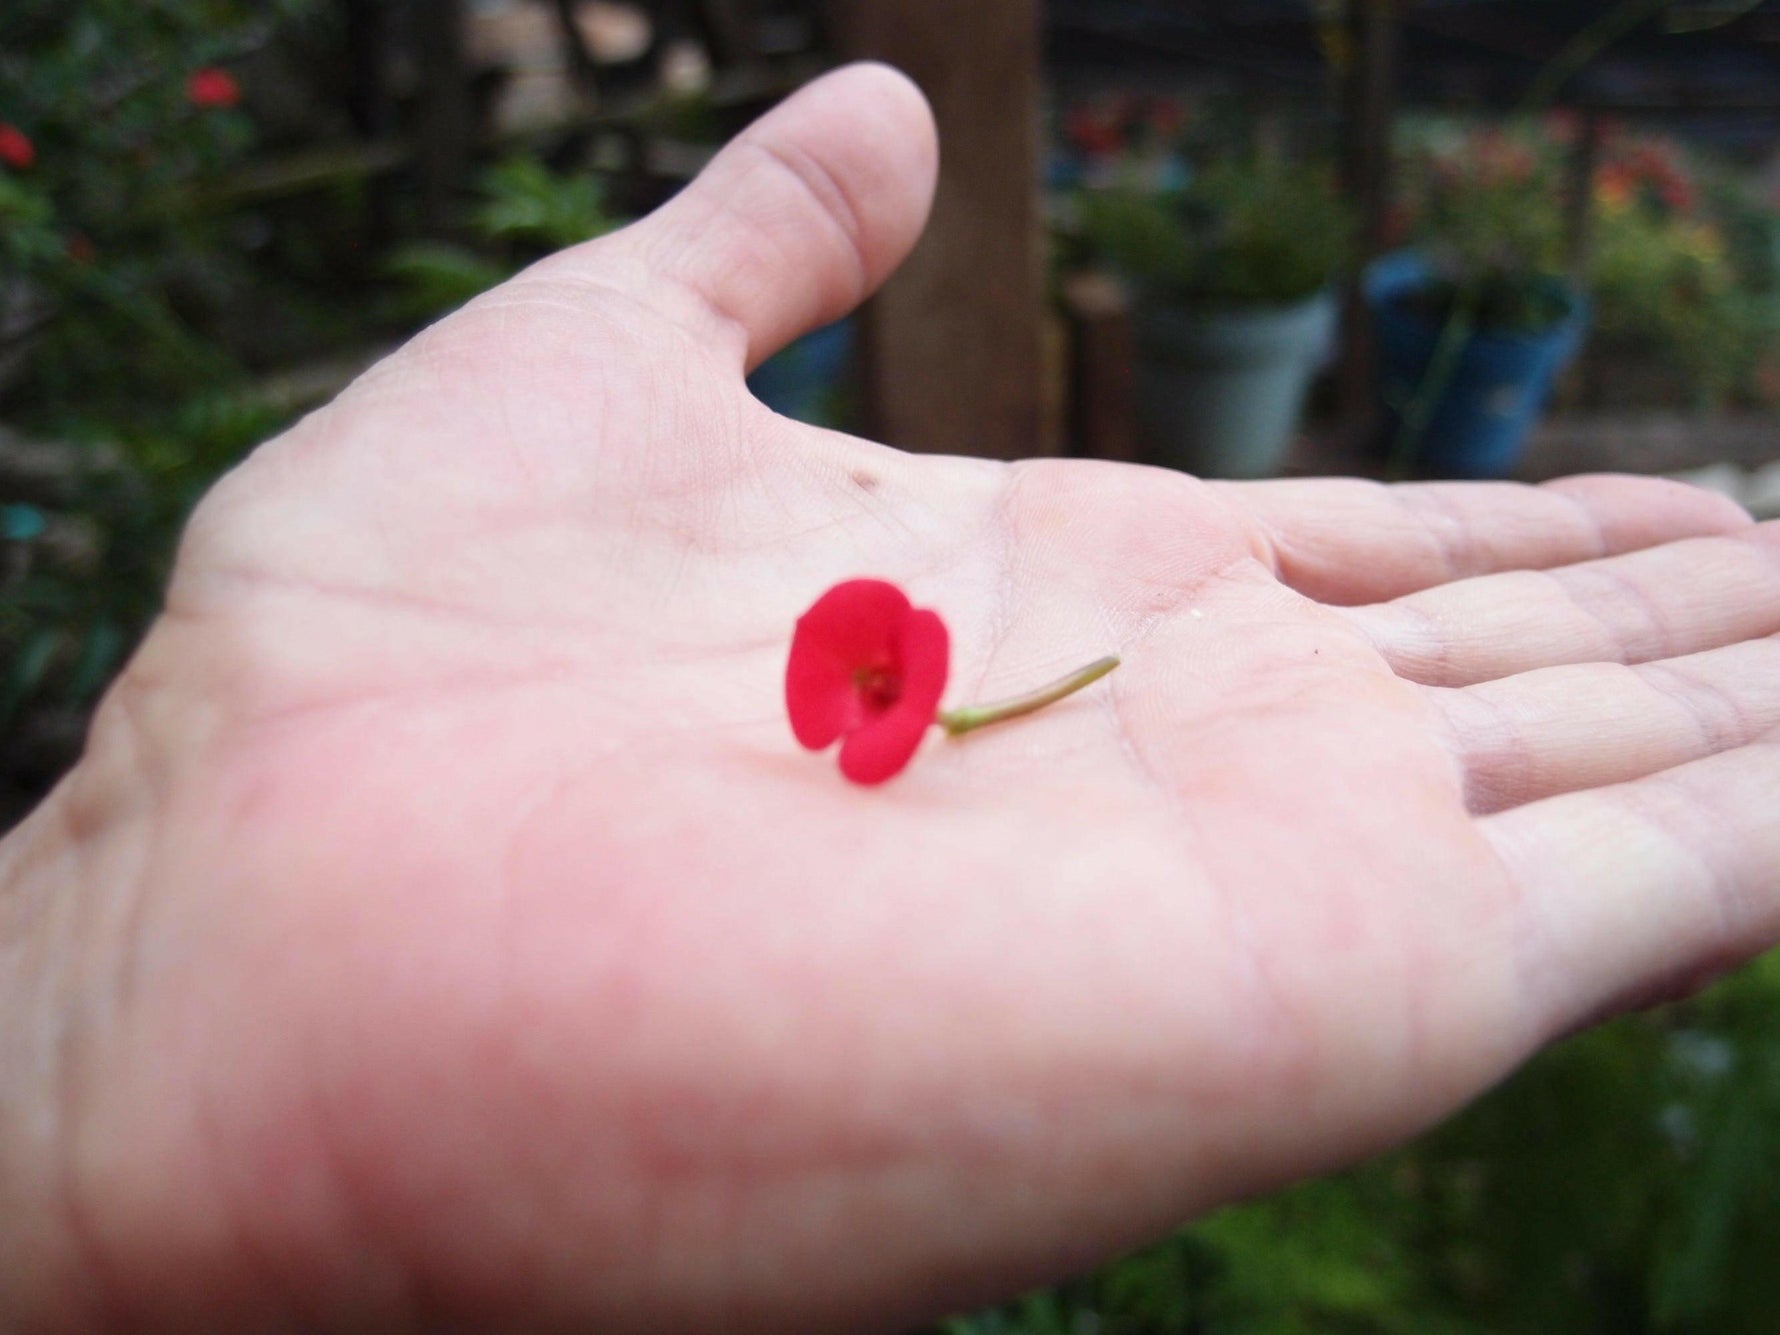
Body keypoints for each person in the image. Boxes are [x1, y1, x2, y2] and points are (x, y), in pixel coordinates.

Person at [1, 63, 1776, 1333]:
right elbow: (863, 708)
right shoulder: (875, 678)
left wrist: (89, 1014)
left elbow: (873, 705)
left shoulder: (894, 675)